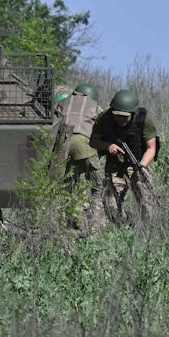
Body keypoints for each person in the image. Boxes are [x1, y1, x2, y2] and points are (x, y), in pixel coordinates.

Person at [89, 89, 159, 225]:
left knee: (147, 201)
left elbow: (151, 148)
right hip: (115, 165)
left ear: (133, 114)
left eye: (124, 116)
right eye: (117, 116)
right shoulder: (105, 119)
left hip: (138, 163)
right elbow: (93, 141)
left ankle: (149, 231)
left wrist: (142, 166)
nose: (120, 119)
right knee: (111, 206)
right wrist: (108, 145)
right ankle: (126, 226)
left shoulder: (144, 119)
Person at [52, 83, 106, 233]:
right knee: (97, 188)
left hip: (62, 146)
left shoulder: (62, 102)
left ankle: (69, 225)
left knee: (67, 187)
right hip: (84, 147)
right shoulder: (94, 106)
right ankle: (96, 227)